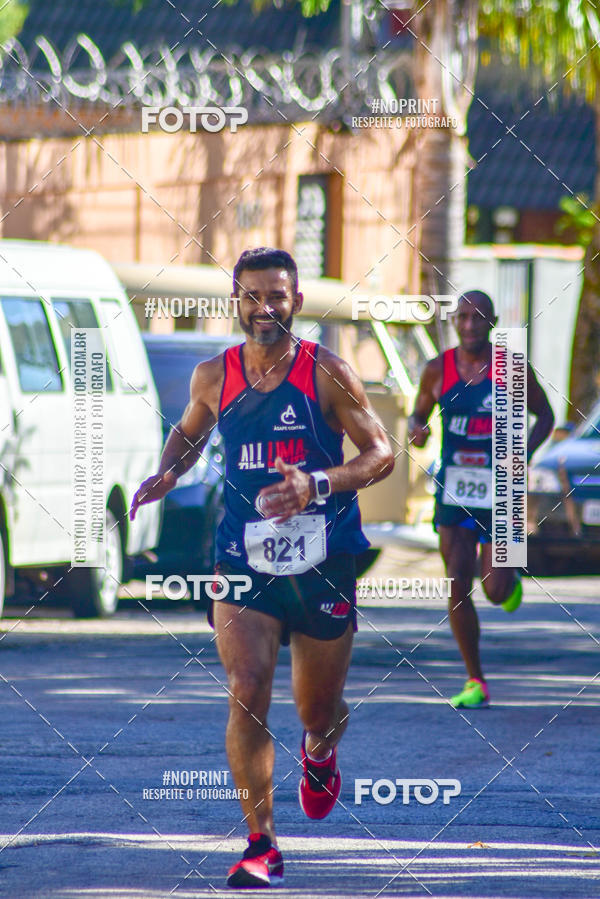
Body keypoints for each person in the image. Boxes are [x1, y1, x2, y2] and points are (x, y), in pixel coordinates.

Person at [130, 247, 394, 888]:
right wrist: (169, 472)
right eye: (250, 296)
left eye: (275, 295)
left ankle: (320, 754)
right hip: (241, 557)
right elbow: (191, 433)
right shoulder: (213, 376)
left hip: (324, 558)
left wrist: (317, 485)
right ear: (236, 303)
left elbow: (380, 453)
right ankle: (260, 843)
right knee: (246, 688)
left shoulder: (327, 373)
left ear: (296, 302)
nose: (263, 308)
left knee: (317, 712)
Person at [409, 290, 554, 710]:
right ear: (454, 322)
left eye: (479, 318)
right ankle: (476, 681)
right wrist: (418, 430)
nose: (470, 325)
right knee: (456, 584)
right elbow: (419, 416)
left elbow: (545, 416)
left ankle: (509, 581)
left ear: (492, 323)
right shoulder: (437, 369)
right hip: (454, 486)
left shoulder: (511, 367)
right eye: (463, 317)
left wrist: (521, 454)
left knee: (493, 590)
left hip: (502, 489)